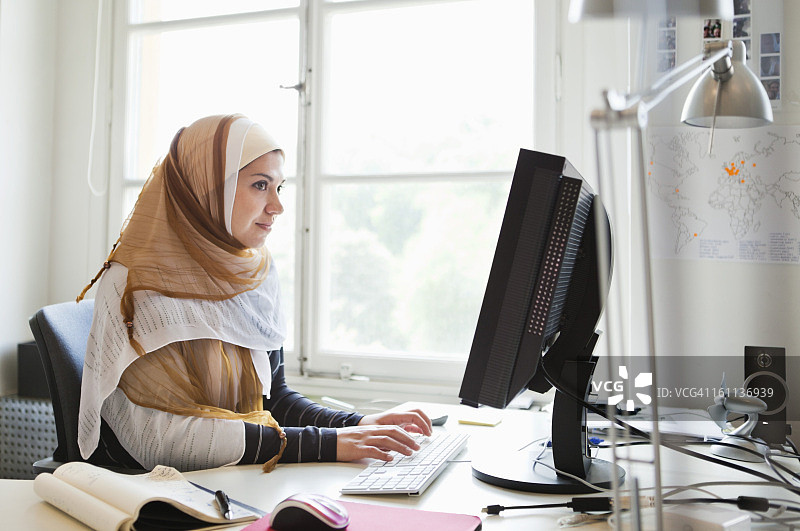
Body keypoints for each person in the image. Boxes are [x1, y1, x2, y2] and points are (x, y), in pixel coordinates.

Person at [76, 114, 432, 472]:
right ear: (206, 187)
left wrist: (356, 425)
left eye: (279, 187)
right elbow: (160, 441)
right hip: (153, 490)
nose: (277, 206)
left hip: (236, 478)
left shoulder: (252, 271)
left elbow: (274, 398)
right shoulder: (135, 284)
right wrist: (330, 443)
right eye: (260, 185)